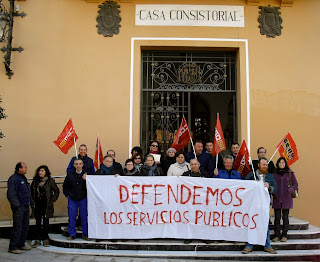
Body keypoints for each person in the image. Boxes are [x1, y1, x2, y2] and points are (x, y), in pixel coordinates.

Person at [242, 157, 278, 254]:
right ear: (259, 165)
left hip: (264, 205)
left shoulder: (270, 176)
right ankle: (249, 245)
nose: (265, 166)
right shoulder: (251, 175)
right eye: (263, 165)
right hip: (252, 204)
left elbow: (275, 188)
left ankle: (267, 245)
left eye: (266, 165)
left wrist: (269, 187)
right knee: (252, 224)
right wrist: (253, 184)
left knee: (264, 224)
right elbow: (244, 186)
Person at [31, 165, 60, 247]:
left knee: (46, 222)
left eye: (42, 171)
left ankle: (45, 239)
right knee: (37, 223)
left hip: (46, 205)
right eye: (39, 170)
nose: (40, 172)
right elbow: (31, 191)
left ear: (46, 172)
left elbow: (56, 191)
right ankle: (37, 239)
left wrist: (52, 200)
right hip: (37, 204)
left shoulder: (50, 181)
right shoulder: (35, 180)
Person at [182, 158, 209, 244]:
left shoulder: (205, 174)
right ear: (190, 165)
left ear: (199, 165)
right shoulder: (185, 175)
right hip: (189, 201)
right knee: (190, 218)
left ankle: (203, 236)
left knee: (201, 219)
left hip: (202, 201)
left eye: (195, 164)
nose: (194, 166)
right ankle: (189, 236)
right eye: (192, 164)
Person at [7, 162, 32, 254]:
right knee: (17, 227)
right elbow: (11, 194)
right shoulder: (14, 179)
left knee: (25, 226)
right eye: (25, 167)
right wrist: (17, 205)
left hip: (25, 206)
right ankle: (13, 246)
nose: (27, 169)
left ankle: (21, 244)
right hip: (19, 207)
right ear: (19, 169)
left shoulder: (23, 178)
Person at [272, 157, 298, 242]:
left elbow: (295, 184)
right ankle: (277, 235)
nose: (281, 164)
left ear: (285, 164)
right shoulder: (274, 173)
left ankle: (284, 235)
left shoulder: (290, 173)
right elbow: (272, 184)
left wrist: (290, 190)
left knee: (285, 217)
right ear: (277, 164)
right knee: (277, 218)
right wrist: (274, 193)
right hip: (277, 198)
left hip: (287, 198)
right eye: (280, 163)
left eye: (283, 162)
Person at [63, 159, 89, 240]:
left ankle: (85, 234)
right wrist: (67, 195)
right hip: (72, 199)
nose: (78, 165)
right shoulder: (70, 174)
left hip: (83, 198)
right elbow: (65, 186)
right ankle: (72, 234)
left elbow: (91, 186)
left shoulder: (86, 174)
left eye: (80, 164)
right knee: (72, 216)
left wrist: (86, 180)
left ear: (82, 165)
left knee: (84, 216)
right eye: (76, 164)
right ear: (74, 165)